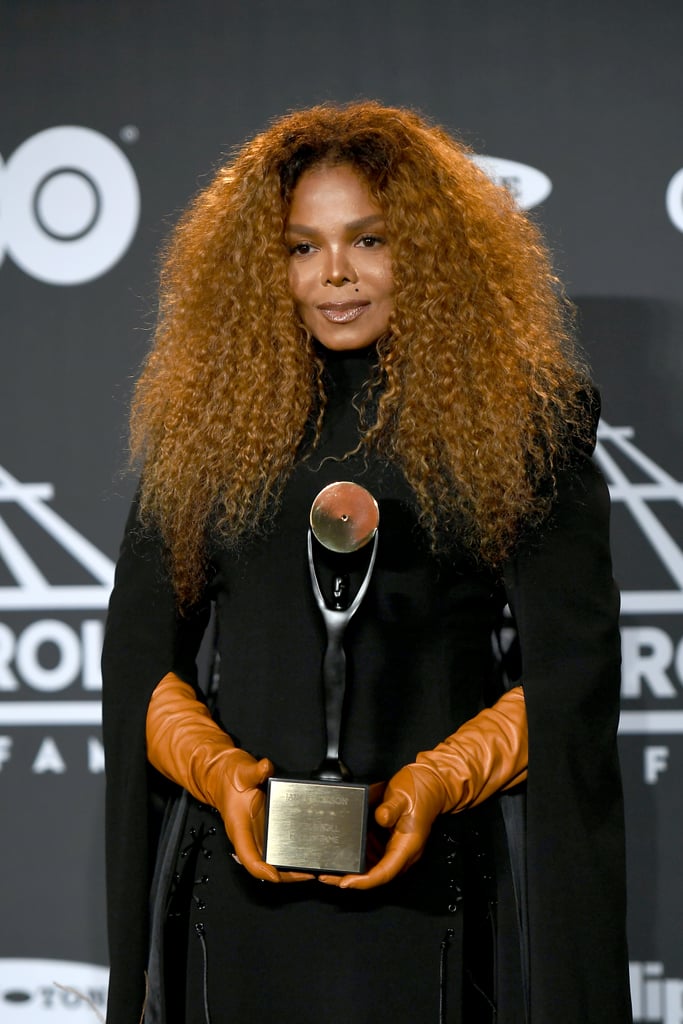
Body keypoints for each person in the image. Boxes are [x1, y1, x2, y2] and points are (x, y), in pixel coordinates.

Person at [102, 101, 632, 1024]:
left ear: (426, 252)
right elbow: (140, 660)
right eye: (302, 247)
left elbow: (569, 671)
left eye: (369, 240)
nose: (334, 275)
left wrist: (434, 783)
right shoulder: (202, 427)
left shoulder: (527, 421)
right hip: (232, 893)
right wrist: (226, 779)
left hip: (435, 892)